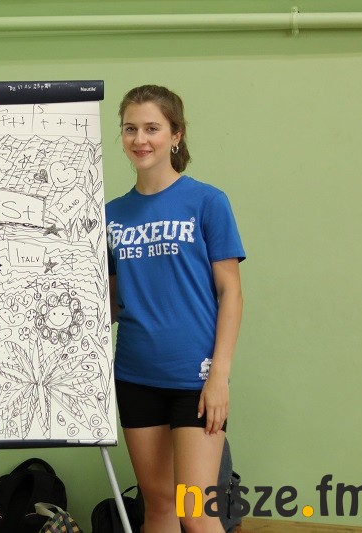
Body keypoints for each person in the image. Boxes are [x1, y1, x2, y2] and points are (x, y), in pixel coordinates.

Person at [105, 85, 245, 533]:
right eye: (130, 129)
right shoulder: (110, 215)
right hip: (134, 375)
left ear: (176, 135)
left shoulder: (207, 202)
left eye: (152, 128)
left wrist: (219, 375)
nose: (140, 139)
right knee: (160, 506)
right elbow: (109, 303)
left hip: (195, 379)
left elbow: (231, 293)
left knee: (196, 513)